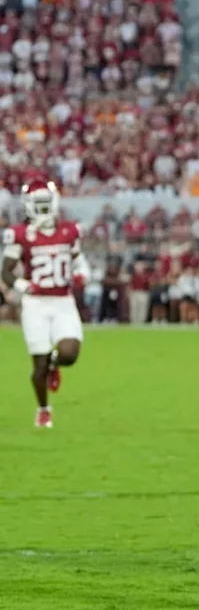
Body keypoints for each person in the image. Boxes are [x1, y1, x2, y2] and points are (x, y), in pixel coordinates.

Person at [1, 180, 89, 428]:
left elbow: (78, 259)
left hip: (63, 300)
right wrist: (22, 285)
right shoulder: (21, 234)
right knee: (37, 366)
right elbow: (5, 271)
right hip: (35, 303)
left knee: (70, 353)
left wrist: (84, 272)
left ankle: (54, 363)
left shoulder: (69, 231)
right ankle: (43, 409)